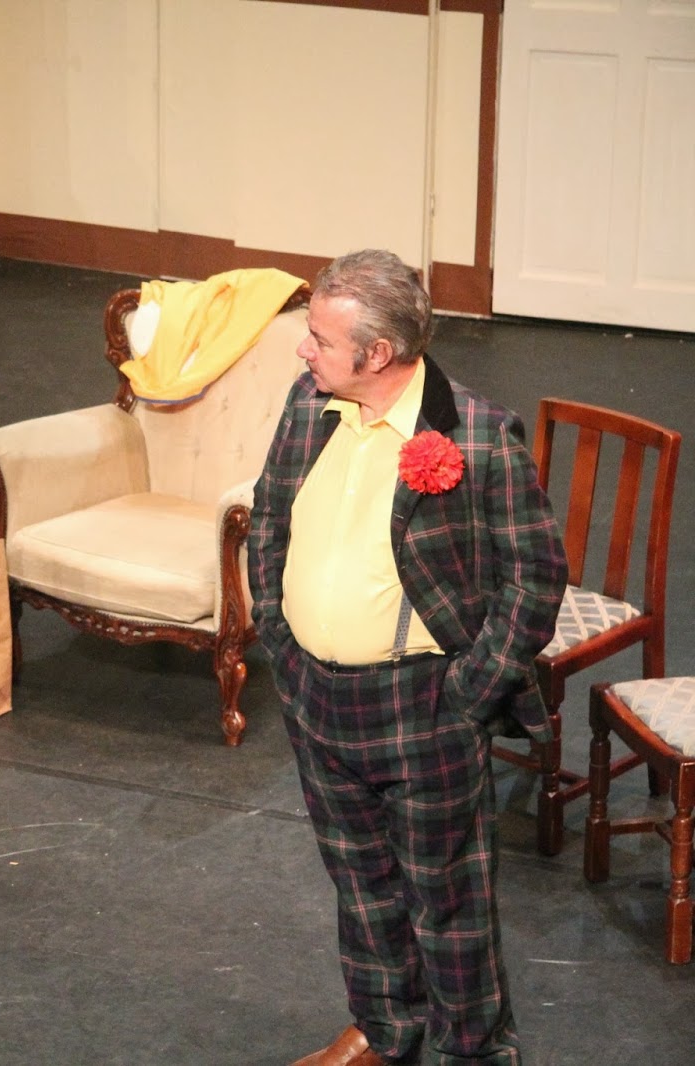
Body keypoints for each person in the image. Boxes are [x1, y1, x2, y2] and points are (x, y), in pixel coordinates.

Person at [248, 250, 567, 1065]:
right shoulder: (308, 404)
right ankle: (385, 1029)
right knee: (360, 886)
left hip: (423, 704)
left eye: (320, 338)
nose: (303, 349)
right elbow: (270, 516)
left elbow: (535, 576)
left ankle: (472, 1051)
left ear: (378, 353)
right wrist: (278, 636)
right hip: (316, 696)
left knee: (448, 902)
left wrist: (470, 692)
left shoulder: (477, 435)